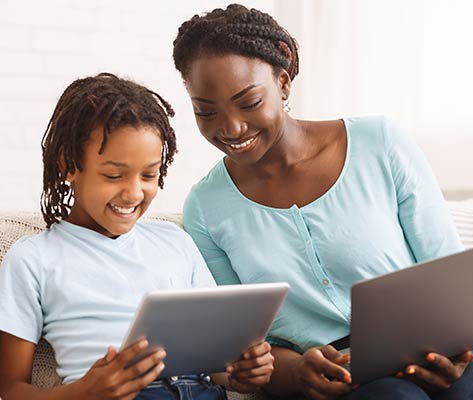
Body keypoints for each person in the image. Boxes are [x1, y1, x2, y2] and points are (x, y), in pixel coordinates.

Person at [172, 4, 473, 400]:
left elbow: (448, 271)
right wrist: (295, 372)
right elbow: (240, 348)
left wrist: (458, 346)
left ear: (283, 80)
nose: (231, 128)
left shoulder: (380, 143)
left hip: (434, 348)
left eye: (249, 102)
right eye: (205, 112)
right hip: (338, 380)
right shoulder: (206, 208)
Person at [0, 73, 274, 400]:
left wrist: (238, 371)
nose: (133, 193)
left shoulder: (174, 241)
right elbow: (9, 389)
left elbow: (213, 361)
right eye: (114, 175)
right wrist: (83, 393)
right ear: (69, 163)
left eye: (149, 175)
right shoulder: (34, 258)